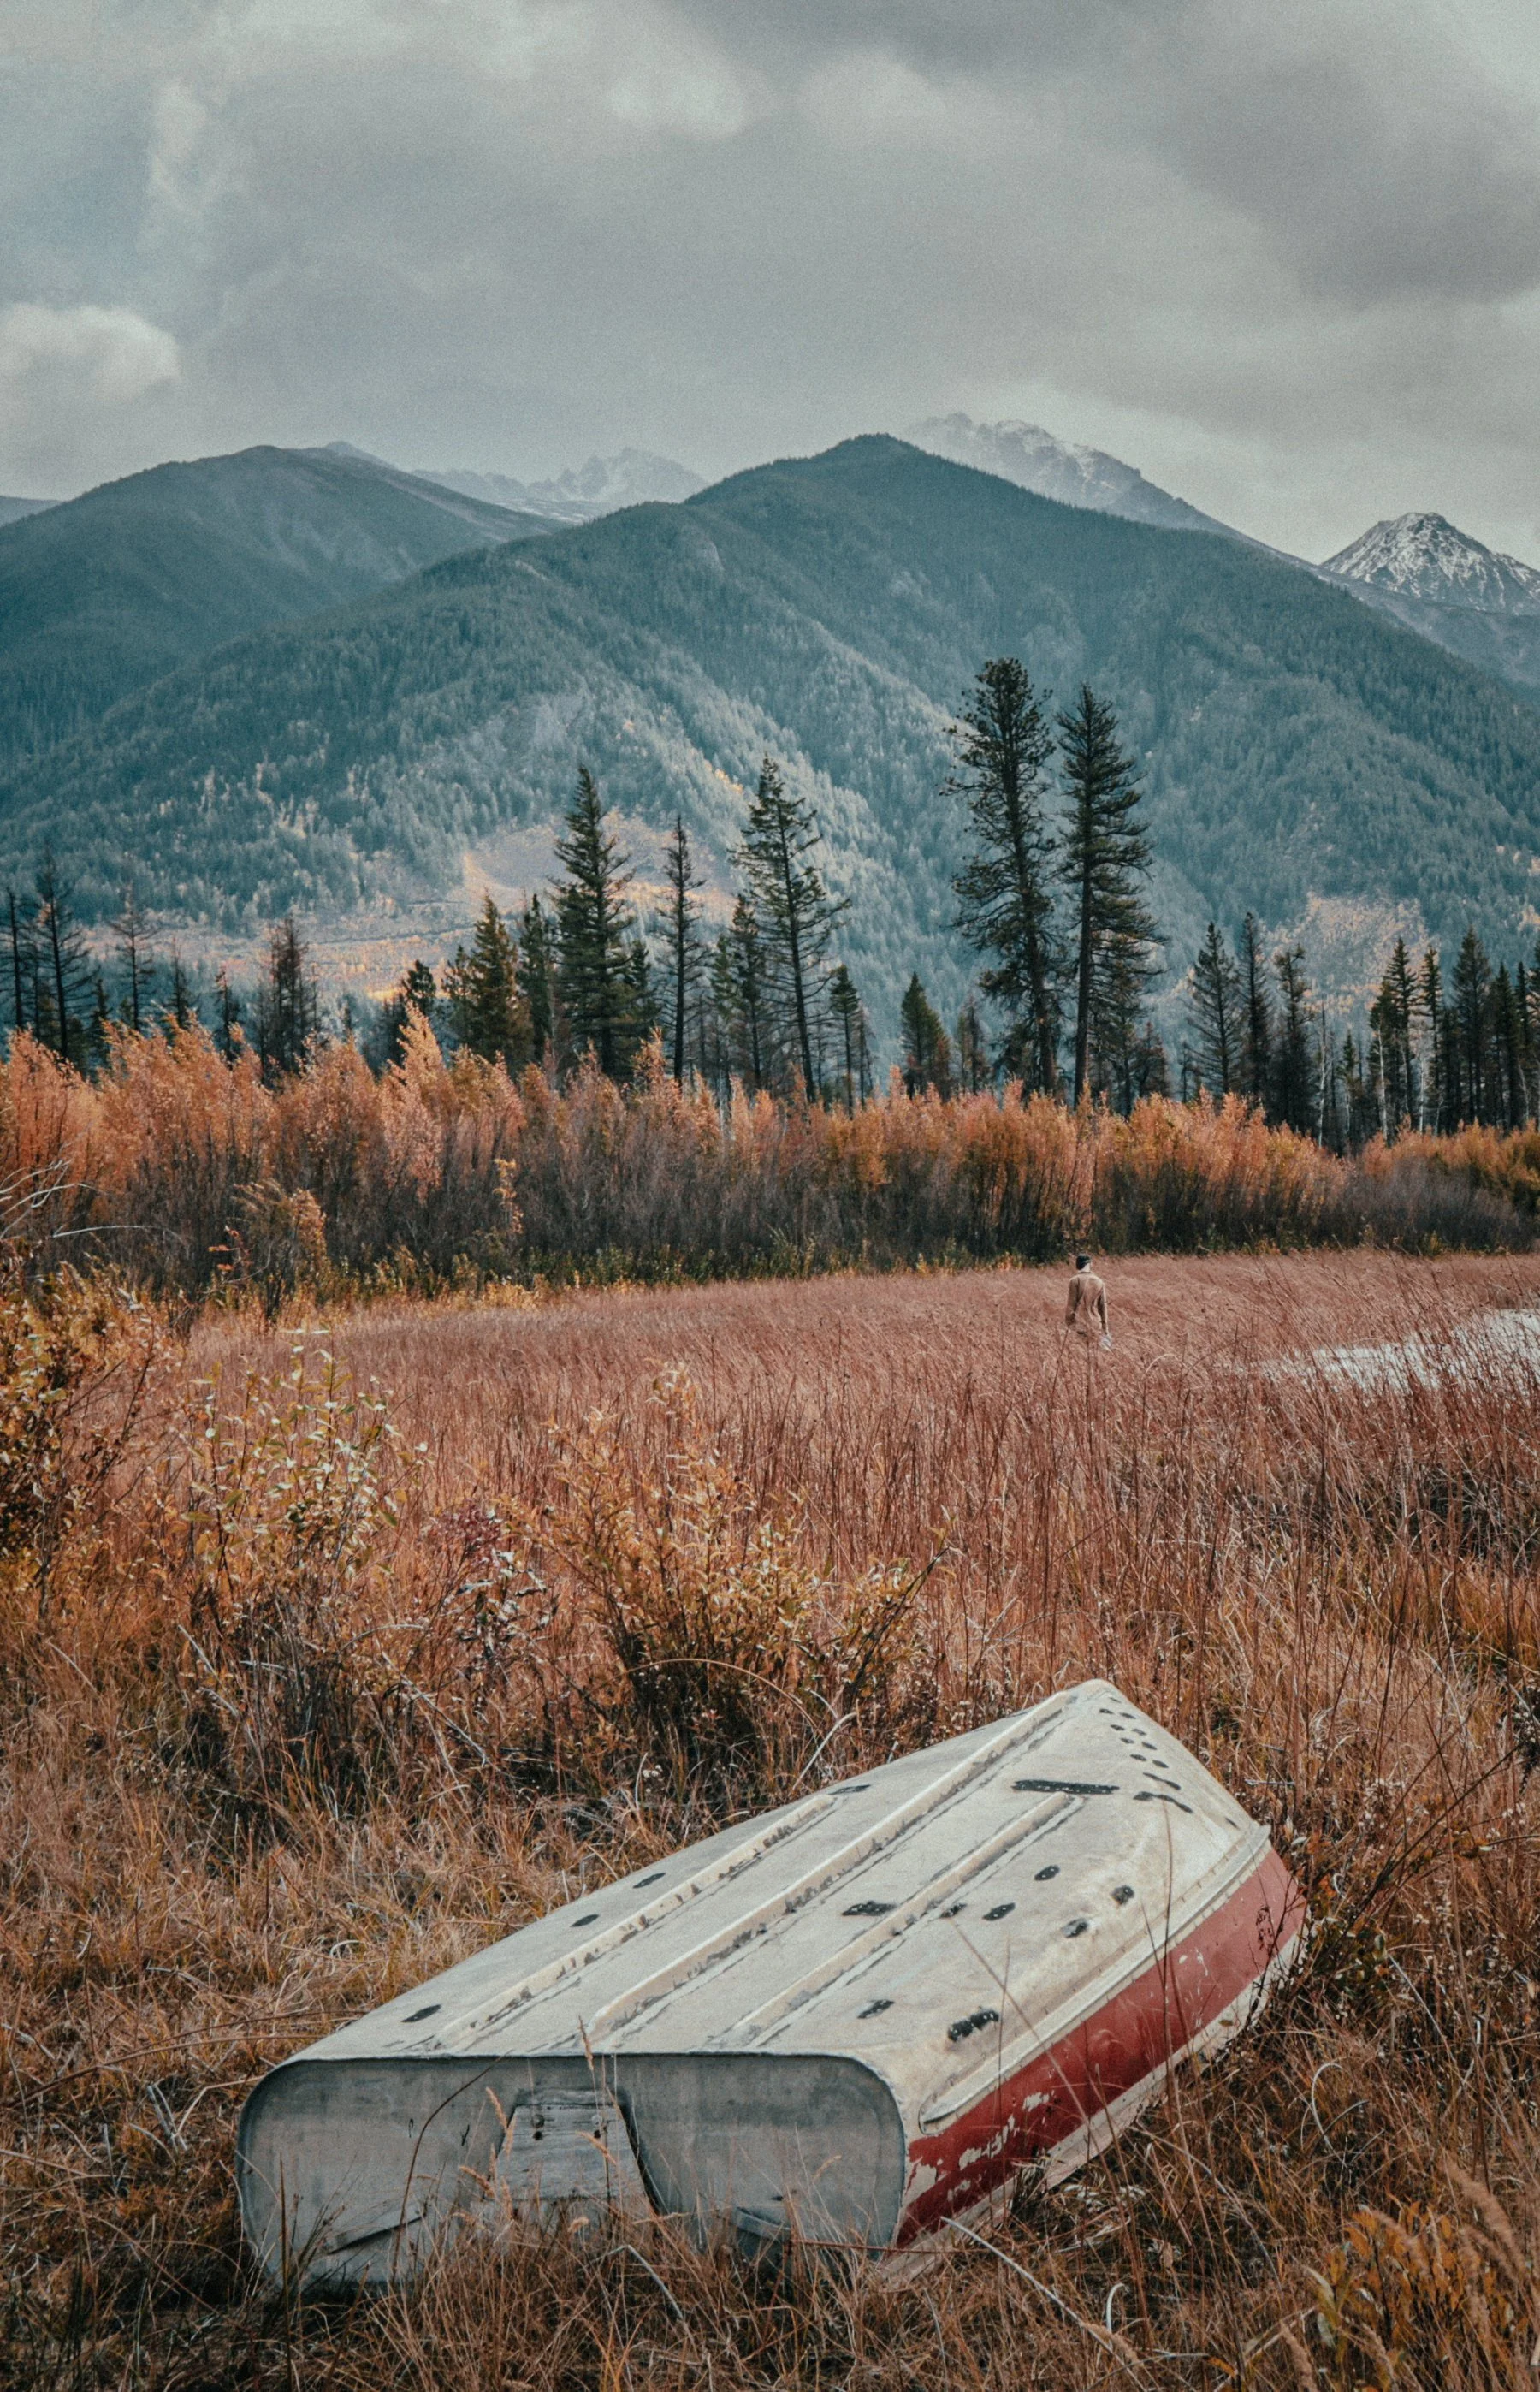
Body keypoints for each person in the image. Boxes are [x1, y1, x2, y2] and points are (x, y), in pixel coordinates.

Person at [1066, 1252, 1112, 1347]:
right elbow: (1103, 1307)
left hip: (1080, 1324)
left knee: (1082, 1351)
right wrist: (1105, 1328)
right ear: (1089, 1264)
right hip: (1096, 1324)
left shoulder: (1074, 1281)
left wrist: (1069, 1324)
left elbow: (1071, 1305)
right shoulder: (1099, 1281)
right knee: (1094, 1350)